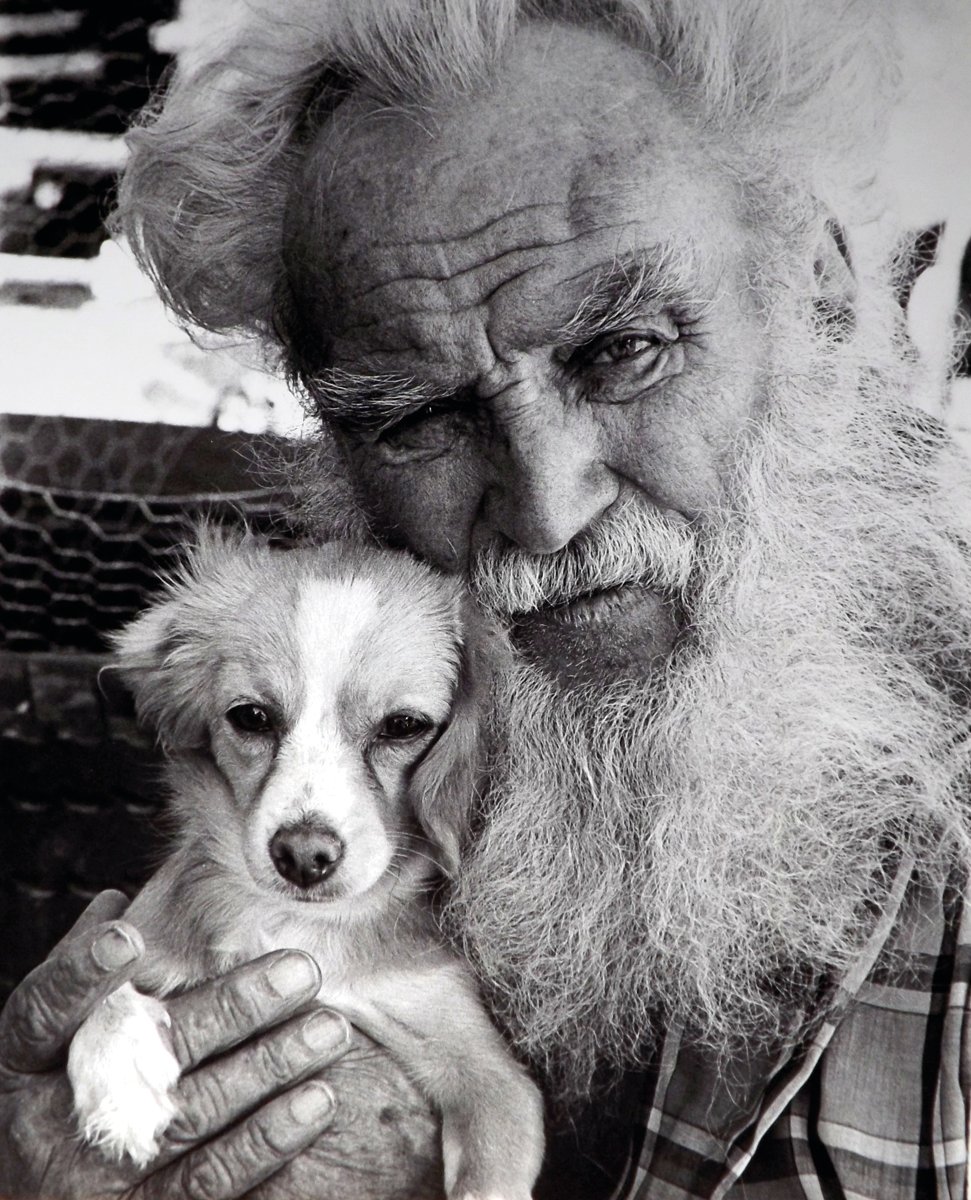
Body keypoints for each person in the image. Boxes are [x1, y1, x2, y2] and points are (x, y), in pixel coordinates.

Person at [2, 1, 970, 1196]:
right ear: (336, 463)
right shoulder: (260, 783)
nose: (547, 508)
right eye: (419, 418)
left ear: (816, 303)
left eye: (621, 351)